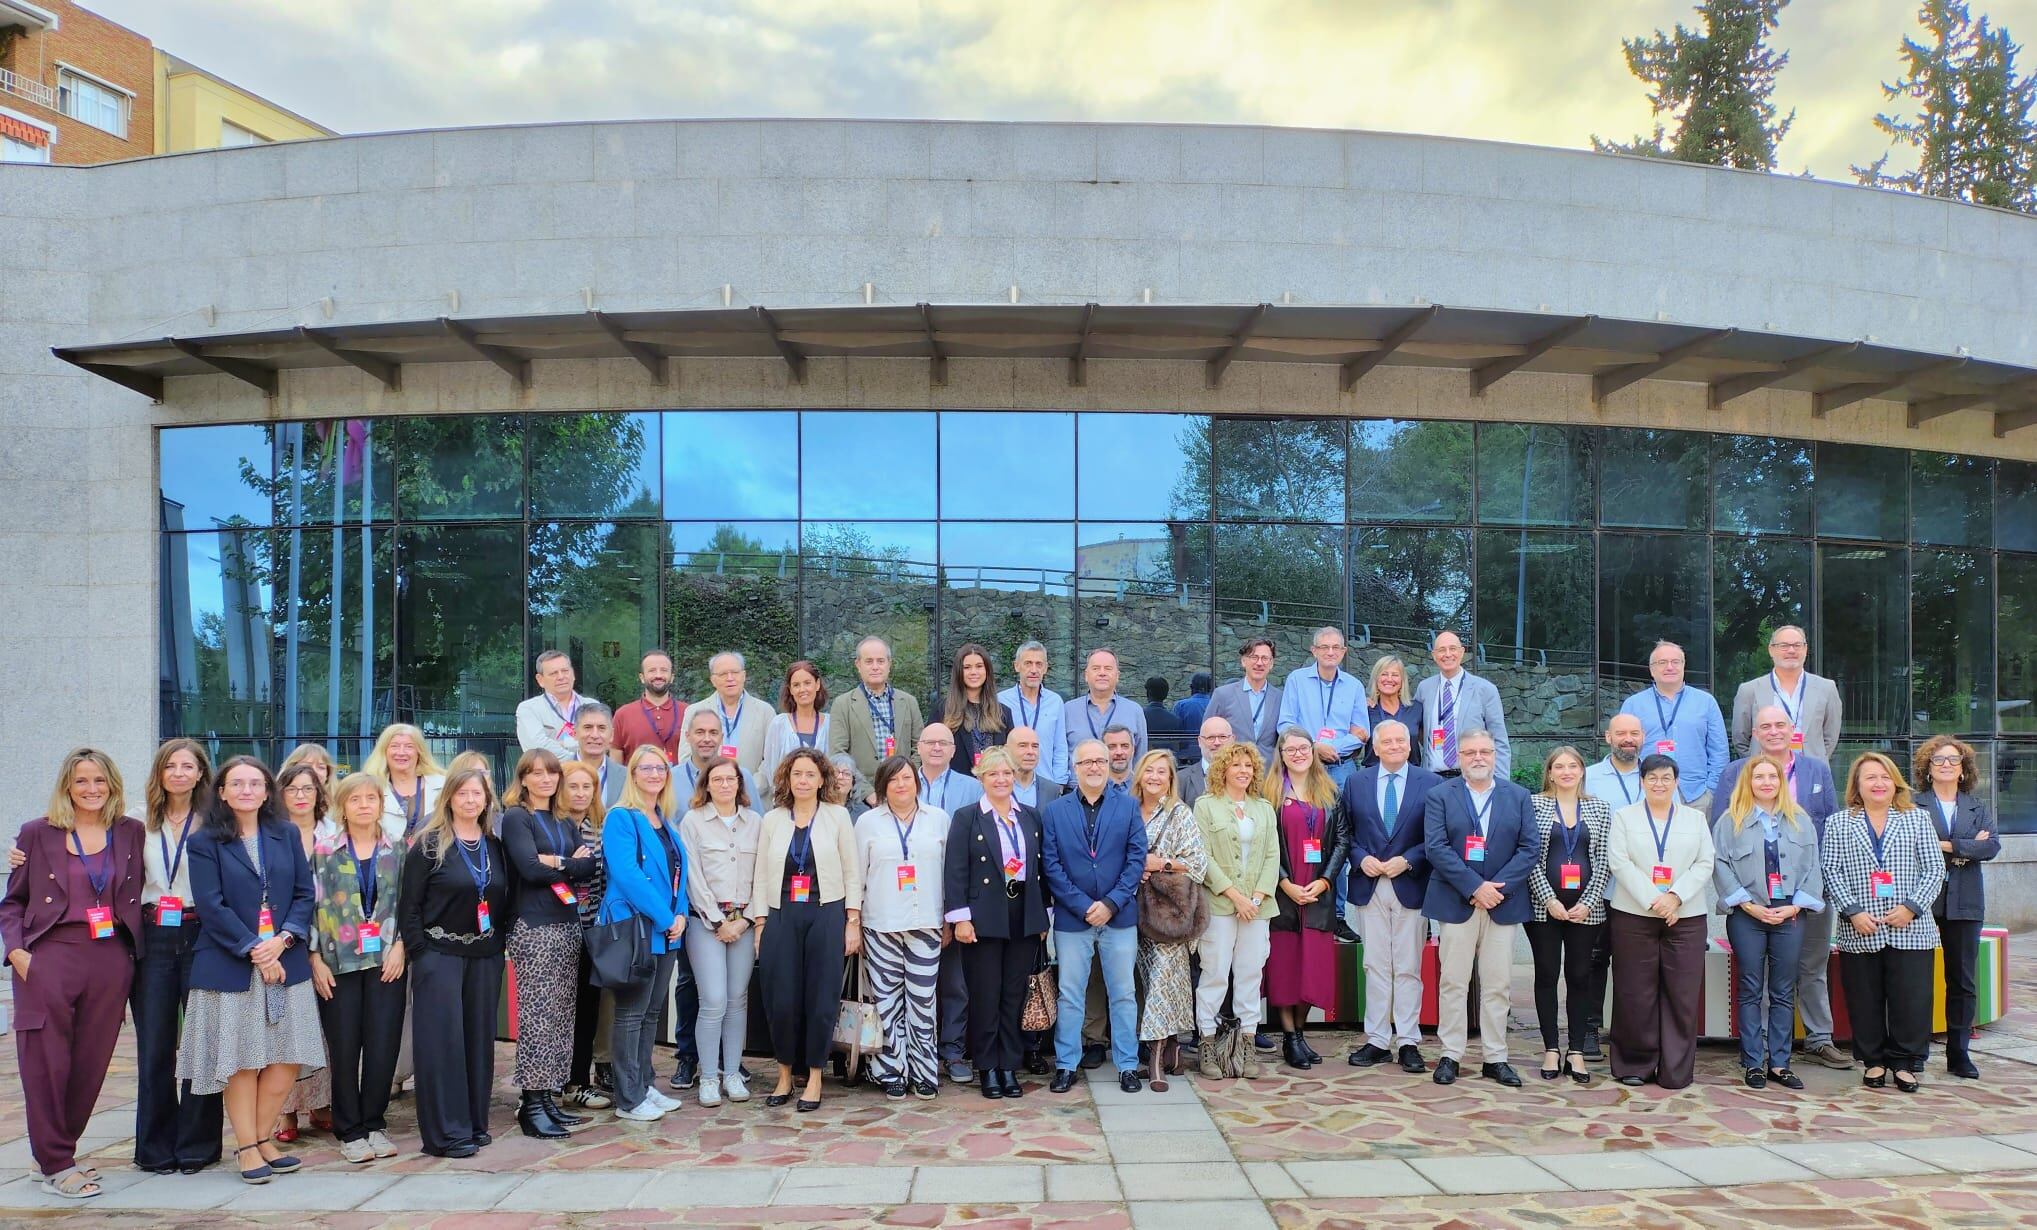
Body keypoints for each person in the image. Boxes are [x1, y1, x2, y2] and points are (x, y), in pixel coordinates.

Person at [2, 749, 146, 1200]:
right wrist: (19, 954)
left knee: (90, 1061)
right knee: (45, 1061)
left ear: (113, 784)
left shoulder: (131, 832)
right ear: (67, 785)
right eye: (82, 781)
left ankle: (53, 1153)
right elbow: (12, 903)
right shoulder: (37, 833)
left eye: (100, 780)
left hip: (109, 957)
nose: (91, 789)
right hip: (49, 955)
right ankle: (57, 1163)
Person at [180, 756, 321, 1183]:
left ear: (266, 792)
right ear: (221, 792)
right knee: (241, 1059)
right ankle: (245, 1147)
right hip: (229, 964)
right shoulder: (205, 841)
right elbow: (211, 905)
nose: (246, 790)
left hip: (287, 958)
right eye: (236, 783)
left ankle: (262, 1138)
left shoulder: (286, 834)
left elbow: (302, 894)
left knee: (286, 1058)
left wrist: (284, 940)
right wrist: (256, 949)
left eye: (254, 783)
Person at [1707, 704, 1848, 1070]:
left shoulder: (1816, 768)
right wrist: (1743, 899)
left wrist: (1806, 897)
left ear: (1792, 729)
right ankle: (1761, 1048)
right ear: (1754, 733)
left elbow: (1828, 830)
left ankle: (1818, 1039)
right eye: (1764, 726)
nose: (1773, 731)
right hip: (1751, 899)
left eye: (1779, 725)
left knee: (1811, 967)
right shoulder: (1735, 772)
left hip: (1804, 891)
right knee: (1758, 978)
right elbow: (1722, 837)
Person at [399, 766, 514, 1156]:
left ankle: (473, 1123)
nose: (470, 800)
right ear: (448, 798)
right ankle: (446, 1134)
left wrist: (498, 945)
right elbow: (409, 907)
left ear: (487, 800)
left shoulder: (495, 846)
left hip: (484, 955)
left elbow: (504, 900)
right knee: (442, 1045)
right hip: (439, 954)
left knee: (478, 1041)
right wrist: (421, 954)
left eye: (476, 794)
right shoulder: (429, 845)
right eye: (462, 793)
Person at [1823, 753, 1944, 1094]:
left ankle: (1905, 1063)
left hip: (1910, 926)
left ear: (1895, 783)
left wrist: (1912, 907)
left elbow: (1935, 870)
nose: (1878, 783)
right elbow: (1831, 871)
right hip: (1860, 927)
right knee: (1865, 998)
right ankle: (1873, 1060)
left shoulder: (1918, 819)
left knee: (1911, 998)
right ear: (1857, 786)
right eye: (1870, 778)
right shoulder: (1838, 823)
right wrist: (1852, 911)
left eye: (1884, 777)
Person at [750, 746, 862, 1111]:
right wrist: (760, 923)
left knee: (820, 998)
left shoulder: (837, 816)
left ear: (821, 779)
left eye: (810, 774)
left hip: (826, 914)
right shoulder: (772, 819)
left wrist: (852, 921)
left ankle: (814, 1077)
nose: (803, 780)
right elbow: (761, 874)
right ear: (787, 778)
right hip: (781, 915)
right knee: (781, 1000)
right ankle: (785, 1075)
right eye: (797, 773)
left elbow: (851, 871)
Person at [134, 739, 225, 1175]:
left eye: (187, 766)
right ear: (160, 773)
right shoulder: (137, 823)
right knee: (155, 1044)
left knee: (201, 1043)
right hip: (152, 935)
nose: (178, 773)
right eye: (170, 765)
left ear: (200, 773)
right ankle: (154, 1147)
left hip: (202, 931)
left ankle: (198, 1145)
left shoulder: (214, 822)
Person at [1422, 729, 1533, 1087]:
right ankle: (1451, 1054)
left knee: (1498, 983)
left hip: (1503, 902)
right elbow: (1436, 847)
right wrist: (1474, 887)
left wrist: (1495, 889)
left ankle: (1495, 1057)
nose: (1478, 758)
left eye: (1485, 751)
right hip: (1457, 901)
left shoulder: (1517, 796)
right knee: (1453, 982)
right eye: (1470, 752)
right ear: (1460, 758)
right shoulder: (1440, 794)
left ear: (1495, 754)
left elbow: (1529, 848)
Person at [309, 773, 407, 1163]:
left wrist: (401, 946)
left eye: (371, 798)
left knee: (383, 1046)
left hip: (387, 960)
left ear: (381, 804)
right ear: (342, 806)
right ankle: (349, 1130)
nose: (364, 804)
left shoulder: (398, 850)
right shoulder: (324, 851)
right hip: (338, 962)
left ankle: (374, 1122)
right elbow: (310, 908)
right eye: (355, 799)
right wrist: (314, 959)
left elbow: (409, 903)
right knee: (345, 1047)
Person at [1042, 740, 1148, 1094]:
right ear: (1075, 767)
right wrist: (1084, 905)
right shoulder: (1055, 811)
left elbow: (1136, 860)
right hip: (1074, 919)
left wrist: (1112, 903)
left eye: (1100, 761)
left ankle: (1128, 1065)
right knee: (1071, 994)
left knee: (1123, 993)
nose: (1094, 767)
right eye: (1086, 762)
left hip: (1118, 918)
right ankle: (1066, 1064)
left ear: (1109, 765)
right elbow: (1052, 865)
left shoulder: (1129, 807)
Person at [498, 750, 594, 1140]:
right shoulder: (516, 817)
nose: (545, 780)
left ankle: (549, 1097)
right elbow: (528, 869)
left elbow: (589, 865)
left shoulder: (560, 818)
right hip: (533, 926)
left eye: (551, 773)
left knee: (560, 1018)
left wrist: (556, 862)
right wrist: (567, 862)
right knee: (537, 1018)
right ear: (522, 778)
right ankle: (531, 1103)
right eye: (536, 774)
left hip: (567, 924)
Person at [1712, 753, 1821, 1091]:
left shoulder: (1801, 820)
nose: (1766, 783)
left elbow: (1813, 867)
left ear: (1781, 782)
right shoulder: (1731, 821)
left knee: (1783, 990)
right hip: (1748, 914)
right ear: (1749, 782)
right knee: (1749, 988)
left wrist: (1793, 908)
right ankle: (1753, 1061)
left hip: (1789, 913)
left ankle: (1780, 1062)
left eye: (1772, 777)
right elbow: (1720, 865)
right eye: (1759, 777)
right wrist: (1747, 904)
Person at [1606, 754, 1715, 1089]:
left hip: (1685, 915)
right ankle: (1634, 1065)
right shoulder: (1624, 817)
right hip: (1634, 914)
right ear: (1642, 782)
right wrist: (1655, 898)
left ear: (1676, 781)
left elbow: (1704, 862)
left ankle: (1675, 1069)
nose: (1659, 783)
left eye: (1666, 777)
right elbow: (1619, 862)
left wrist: (1675, 897)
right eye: (1652, 777)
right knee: (1634, 992)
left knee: (1681, 994)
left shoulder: (1695, 819)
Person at [1341, 721, 1440, 1073]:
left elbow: (1437, 836)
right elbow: (1345, 832)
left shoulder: (1431, 783)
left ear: (1411, 746)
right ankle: (1377, 1040)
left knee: (1409, 966)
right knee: (1376, 964)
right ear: (1377, 747)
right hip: (1370, 885)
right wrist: (1360, 858)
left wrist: (1408, 860)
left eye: (1401, 740)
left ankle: (1409, 1040)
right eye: (1387, 741)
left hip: (1410, 883)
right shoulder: (1356, 782)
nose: (1395, 745)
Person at [597, 746, 689, 1123]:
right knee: (631, 1015)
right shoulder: (621, 818)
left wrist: (680, 914)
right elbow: (628, 875)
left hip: (667, 929)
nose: (654, 773)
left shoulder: (663, 819)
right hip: (638, 928)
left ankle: (646, 1083)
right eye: (646, 768)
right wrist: (667, 917)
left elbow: (679, 871)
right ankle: (628, 1097)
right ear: (632, 774)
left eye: (660, 768)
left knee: (651, 1013)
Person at [854, 756, 950, 1099]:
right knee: (887, 1003)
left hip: (927, 922)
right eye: (893, 780)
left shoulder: (938, 820)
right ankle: (891, 1070)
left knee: (923, 1002)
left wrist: (949, 919)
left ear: (917, 781)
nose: (901, 785)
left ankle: (925, 1072)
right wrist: (854, 923)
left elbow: (948, 874)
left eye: (907, 777)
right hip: (880, 924)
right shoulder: (867, 823)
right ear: (883, 785)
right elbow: (857, 877)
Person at [678, 757, 763, 1107]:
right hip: (705, 924)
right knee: (712, 1001)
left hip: (744, 922)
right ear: (706, 785)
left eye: (731, 779)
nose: (725, 784)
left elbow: (764, 874)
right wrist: (718, 922)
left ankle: (732, 1073)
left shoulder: (755, 822)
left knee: (736, 1000)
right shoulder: (693, 822)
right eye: (718, 779)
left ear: (740, 785)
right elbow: (693, 877)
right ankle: (709, 1077)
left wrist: (745, 920)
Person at [1914, 736, 2000, 1080]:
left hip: (1966, 900)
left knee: (1962, 981)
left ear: (1964, 770)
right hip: (1921, 897)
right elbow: (1912, 846)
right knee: (1916, 978)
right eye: (1938, 760)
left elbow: (1991, 847)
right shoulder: (1912, 804)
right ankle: (1914, 1050)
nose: (1946, 765)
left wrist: (1946, 845)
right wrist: (1967, 847)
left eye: (1953, 760)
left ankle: (1959, 1053)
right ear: (1927, 769)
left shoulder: (1977, 807)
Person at [1192, 742, 1279, 1081]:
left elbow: (1272, 856)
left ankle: (1246, 1046)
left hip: (1257, 907)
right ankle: (1207, 1043)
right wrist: (1234, 895)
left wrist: (1255, 897)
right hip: (1220, 905)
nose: (1243, 771)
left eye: (1248, 766)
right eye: (1236, 765)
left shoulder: (1264, 809)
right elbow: (1204, 857)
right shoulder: (1205, 806)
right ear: (1222, 769)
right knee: (1214, 973)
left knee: (1249, 975)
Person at [1524, 746, 1611, 1085]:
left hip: (1585, 911)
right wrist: (1548, 899)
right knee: (1546, 974)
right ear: (1549, 772)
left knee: (1580, 976)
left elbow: (1604, 860)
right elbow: (1529, 854)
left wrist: (1589, 902)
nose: (1566, 771)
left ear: (1581, 771)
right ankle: (1550, 1048)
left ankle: (1575, 1050)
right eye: (1558, 766)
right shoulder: (1534, 805)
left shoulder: (1599, 808)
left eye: (1572, 765)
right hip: (1543, 909)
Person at [1264, 727, 1347, 1070]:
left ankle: (1299, 1033)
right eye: (1291, 749)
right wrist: (1283, 883)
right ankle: (1290, 1039)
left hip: (1318, 895)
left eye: (1304, 748)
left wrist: (1326, 880)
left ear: (1313, 751)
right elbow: (1266, 846)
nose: (1298, 754)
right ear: (1281, 755)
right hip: (1283, 895)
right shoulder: (1269, 793)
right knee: (1285, 969)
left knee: (1312, 969)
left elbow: (1342, 840)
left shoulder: (1330, 792)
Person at [1128, 750, 1208, 1091]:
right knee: (1147, 982)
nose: (1155, 777)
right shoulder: (1126, 809)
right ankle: (1174, 1046)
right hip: (1130, 908)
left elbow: (1197, 863)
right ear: (1140, 775)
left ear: (1171, 778)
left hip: (1168, 914)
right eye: (1150, 770)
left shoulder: (1179, 813)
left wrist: (1158, 863)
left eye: (1162, 772)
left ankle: (1156, 1058)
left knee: (1163, 980)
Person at [1578, 712, 1645, 1060]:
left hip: (1646, 890)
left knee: (1635, 965)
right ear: (1608, 737)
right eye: (1621, 733)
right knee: (1594, 960)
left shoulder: (1658, 776)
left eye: (1634, 733)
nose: (1628, 739)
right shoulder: (1587, 778)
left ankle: (1628, 1033)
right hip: (1601, 887)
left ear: (1643, 738)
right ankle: (1589, 1030)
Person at [273, 762, 332, 1141]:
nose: (300, 795)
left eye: (307, 789)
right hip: (286, 940)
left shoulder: (334, 834)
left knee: (325, 1027)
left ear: (318, 793)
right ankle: (286, 1112)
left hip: (332, 941)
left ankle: (321, 1102)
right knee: (286, 1027)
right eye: (292, 788)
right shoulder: (271, 834)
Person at [555, 760, 614, 1112]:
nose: (580, 793)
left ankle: (578, 1082)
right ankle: (549, 1083)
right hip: (557, 927)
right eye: (573, 786)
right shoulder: (550, 827)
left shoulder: (600, 828)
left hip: (592, 929)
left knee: (587, 1009)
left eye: (586, 787)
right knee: (557, 1012)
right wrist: (568, 863)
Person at [1619, 641, 1729, 814]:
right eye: (1662, 662)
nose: (1669, 667)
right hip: (1647, 795)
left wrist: (1711, 791)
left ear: (1683, 666)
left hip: (1697, 797)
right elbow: (1624, 750)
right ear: (1651, 669)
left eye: (1675, 662)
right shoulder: (1633, 705)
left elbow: (1719, 751)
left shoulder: (1706, 702)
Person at [830, 636, 926, 806]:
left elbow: (920, 747)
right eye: (869, 661)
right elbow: (838, 754)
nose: (875, 667)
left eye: (880, 661)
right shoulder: (843, 704)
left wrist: (904, 780)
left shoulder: (908, 702)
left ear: (889, 664)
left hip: (903, 794)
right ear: (858, 665)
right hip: (860, 800)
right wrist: (867, 792)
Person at [1730, 625, 1842, 761]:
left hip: (1811, 772)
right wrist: (1757, 764)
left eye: (1797, 645)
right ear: (1771, 650)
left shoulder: (1826, 688)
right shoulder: (1749, 690)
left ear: (1805, 649)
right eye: (1784, 645)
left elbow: (1831, 736)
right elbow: (1740, 739)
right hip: (1766, 774)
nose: (1791, 650)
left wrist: (1816, 761)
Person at [1277, 627, 1369, 787]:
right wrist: (1313, 747)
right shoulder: (1296, 680)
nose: (1331, 652)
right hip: (1304, 765)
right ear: (1314, 651)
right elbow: (1285, 725)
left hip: (1342, 768)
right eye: (1324, 647)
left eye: (1336, 647)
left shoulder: (1355, 686)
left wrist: (1332, 748)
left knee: (1343, 812)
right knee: (1304, 812)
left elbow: (1361, 733)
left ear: (1343, 651)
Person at [1415, 630, 1511, 778]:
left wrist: (1501, 784)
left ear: (1462, 652)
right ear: (1434, 655)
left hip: (1472, 779)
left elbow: (1499, 740)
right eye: (1441, 650)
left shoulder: (1485, 690)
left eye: (1452, 648)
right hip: (1432, 779)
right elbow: (1413, 724)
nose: (1447, 654)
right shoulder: (1424, 688)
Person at [999, 640, 1068, 786]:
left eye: (1039, 664)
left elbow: (1060, 747)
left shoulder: (1055, 702)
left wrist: (1059, 784)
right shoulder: (1001, 701)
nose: (1034, 670)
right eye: (1028, 663)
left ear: (1046, 668)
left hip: (1047, 785)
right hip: (1010, 785)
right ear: (1017, 666)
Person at [363, 723, 446, 843]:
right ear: (384, 751)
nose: (401, 752)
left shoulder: (443, 785)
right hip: (385, 859)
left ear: (419, 751)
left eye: (409, 746)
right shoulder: (368, 787)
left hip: (433, 859)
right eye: (394, 746)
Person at [1207, 639, 1282, 763]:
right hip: (1232, 769)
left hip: (1269, 772)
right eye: (1254, 657)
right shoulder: (1223, 694)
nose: (1259, 663)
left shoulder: (1280, 698)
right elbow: (1207, 733)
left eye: (1264, 658)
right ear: (1243, 661)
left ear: (1271, 663)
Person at [759, 659, 831, 785]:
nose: (802, 689)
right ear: (791, 690)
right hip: (787, 800)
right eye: (796, 685)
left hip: (823, 800)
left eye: (807, 683)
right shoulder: (779, 724)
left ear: (817, 684)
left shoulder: (830, 724)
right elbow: (771, 767)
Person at [944, 643, 1015, 770]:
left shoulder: (1003, 713)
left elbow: (1010, 757)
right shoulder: (943, 710)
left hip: (994, 786)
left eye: (979, 666)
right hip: (958, 786)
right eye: (967, 667)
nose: (973, 672)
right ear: (959, 672)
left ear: (987, 670)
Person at [1069, 648, 1147, 764]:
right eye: (1096, 668)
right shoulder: (1068, 710)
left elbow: (1140, 758)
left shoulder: (1134, 711)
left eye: (1108, 668)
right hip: (1078, 782)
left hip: (1122, 782)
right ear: (1086, 675)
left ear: (1117, 676)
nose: (1102, 673)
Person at [704, 650, 776, 775]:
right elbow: (687, 757)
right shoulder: (695, 711)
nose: (730, 678)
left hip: (753, 791)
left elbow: (772, 758)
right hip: (708, 791)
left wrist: (750, 787)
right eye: (723, 674)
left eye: (735, 672)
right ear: (713, 680)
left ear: (744, 675)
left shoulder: (765, 712)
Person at [612, 648, 687, 764]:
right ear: (642, 677)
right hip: (635, 782)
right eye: (652, 670)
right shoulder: (623, 714)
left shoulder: (689, 712)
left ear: (672, 677)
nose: (658, 675)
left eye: (664, 670)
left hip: (677, 782)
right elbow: (615, 764)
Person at [677, 706, 763, 803]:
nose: (707, 739)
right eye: (700, 732)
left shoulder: (742, 777)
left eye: (713, 733)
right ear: (688, 737)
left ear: (721, 738)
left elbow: (755, 816)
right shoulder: (671, 779)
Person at [517, 649, 587, 758]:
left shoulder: (592, 706)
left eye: (565, 671)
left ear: (573, 674)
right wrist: (579, 758)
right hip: (549, 773)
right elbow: (538, 750)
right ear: (540, 680)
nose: (561, 677)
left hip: (589, 774)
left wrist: (561, 744)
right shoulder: (528, 709)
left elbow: (603, 744)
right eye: (554, 673)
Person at [1360, 655, 1424, 770]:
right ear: (1376, 679)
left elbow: (1428, 741)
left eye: (1395, 675)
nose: (1389, 679)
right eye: (1384, 674)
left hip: (1411, 776)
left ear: (1402, 681)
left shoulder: (1417, 709)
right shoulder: (1365, 710)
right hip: (1374, 776)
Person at [918, 722, 984, 815]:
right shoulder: (902, 785)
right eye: (930, 742)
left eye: (943, 743)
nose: (937, 748)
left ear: (953, 750)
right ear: (918, 748)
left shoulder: (974, 788)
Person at [570, 700, 626, 808]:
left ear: (611, 735)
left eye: (601, 728)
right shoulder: (558, 773)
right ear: (575, 733)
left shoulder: (627, 777)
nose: (595, 735)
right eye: (588, 727)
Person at [1006, 726, 1065, 810]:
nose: (1031, 752)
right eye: (1023, 746)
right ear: (1007, 749)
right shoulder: (996, 785)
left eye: (1035, 746)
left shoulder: (1052, 791)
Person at [1178, 716, 1234, 803]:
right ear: (1199, 741)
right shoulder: (1181, 779)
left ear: (1232, 739)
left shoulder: (1245, 777)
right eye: (1210, 738)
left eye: (1222, 737)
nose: (1217, 743)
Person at [1143, 676, 1185, 758]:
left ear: (1148, 694)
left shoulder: (1140, 716)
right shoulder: (1175, 720)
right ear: (1166, 695)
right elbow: (1180, 747)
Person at [1173, 673, 1214, 747]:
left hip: (1186, 752)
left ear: (1191, 687)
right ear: (1210, 688)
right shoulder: (1216, 705)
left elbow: (1175, 731)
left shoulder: (1181, 705)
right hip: (1210, 750)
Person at [1102, 725, 1138, 791]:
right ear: (1102, 751)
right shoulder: (1092, 788)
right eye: (1112, 747)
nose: (1119, 752)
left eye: (1125, 746)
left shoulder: (1144, 787)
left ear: (1133, 749)